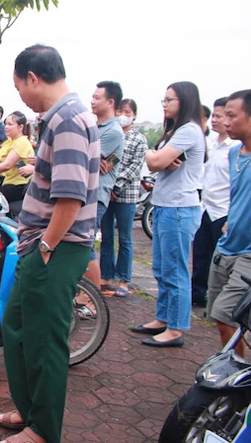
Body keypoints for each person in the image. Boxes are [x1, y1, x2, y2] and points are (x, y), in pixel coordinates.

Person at [0, 44, 100, 443]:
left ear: (33, 78)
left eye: (19, 86)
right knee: (18, 326)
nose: (20, 95)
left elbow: (70, 198)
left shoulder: (69, 120)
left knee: (44, 338)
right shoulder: (60, 117)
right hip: (43, 244)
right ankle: (29, 409)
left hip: (56, 246)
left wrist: (45, 247)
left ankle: (43, 430)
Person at [132, 81, 205, 348]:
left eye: (169, 100)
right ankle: (163, 318)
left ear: (184, 102)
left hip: (178, 208)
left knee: (175, 271)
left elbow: (155, 162)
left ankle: (175, 328)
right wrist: (157, 155)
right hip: (165, 206)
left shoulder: (189, 131)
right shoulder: (176, 132)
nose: (164, 105)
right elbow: (158, 160)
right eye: (163, 100)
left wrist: (154, 155)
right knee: (162, 269)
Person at [206, 89, 251, 359]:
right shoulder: (235, 153)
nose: (225, 122)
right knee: (219, 314)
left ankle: (236, 367)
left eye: (232, 116)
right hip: (226, 246)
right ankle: (234, 363)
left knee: (226, 313)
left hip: (248, 253)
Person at [191, 97, 239, 307]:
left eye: (223, 116)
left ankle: (221, 300)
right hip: (206, 208)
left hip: (224, 211)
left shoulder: (235, 148)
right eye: (217, 116)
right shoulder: (209, 144)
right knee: (200, 255)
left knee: (221, 259)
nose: (218, 121)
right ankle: (198, 294)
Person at [101, 99, 148, 298]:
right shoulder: (112, 133)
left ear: (134, 115)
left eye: (127, 111)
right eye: (120, 110)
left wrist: (117, 185)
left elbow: (135, 167)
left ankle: (123, 279)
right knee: (106, 237)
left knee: (125, 238)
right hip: (107, 193)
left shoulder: (139, 139)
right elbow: (105, 161)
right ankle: (105, 275)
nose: (123, 115)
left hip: (126, 194)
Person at [84, 81, 124, 291]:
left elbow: (88, 159)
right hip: (86, 193)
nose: (92, 101)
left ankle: (91, 297)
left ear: (110, 102)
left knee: (86, 244)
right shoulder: (95, 127)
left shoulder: (113, 131)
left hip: (96, 195)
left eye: (97, 97)